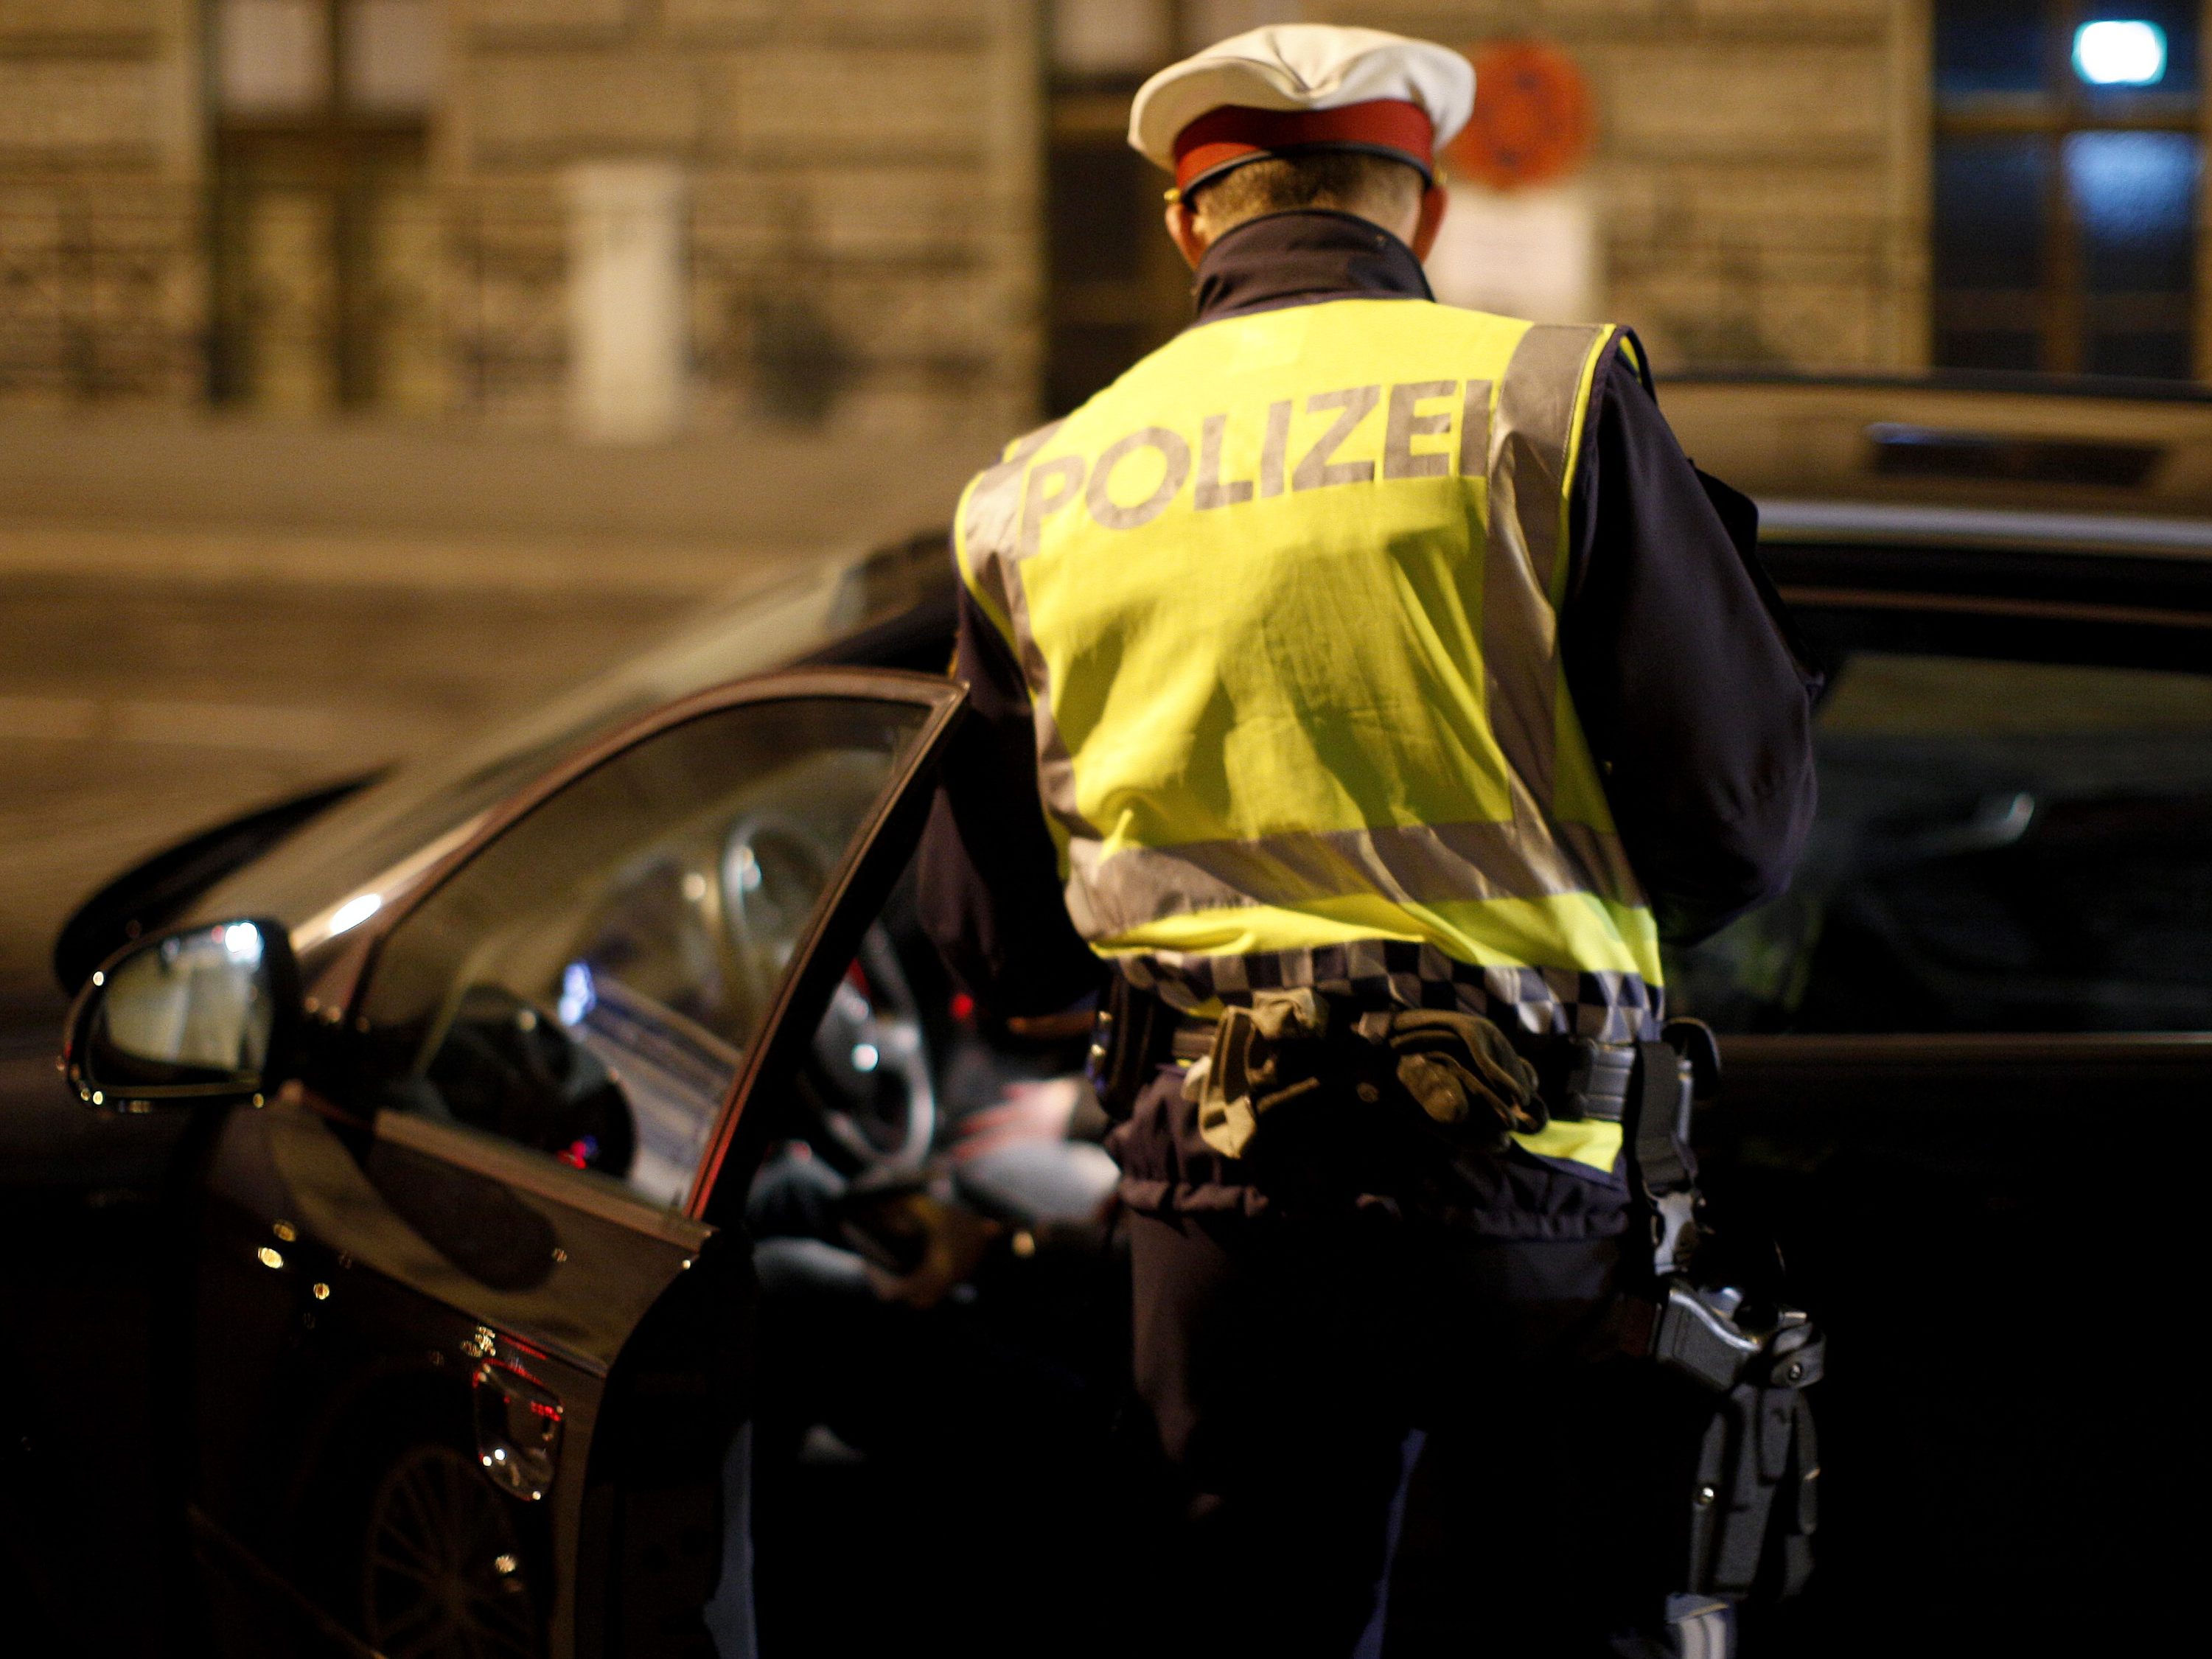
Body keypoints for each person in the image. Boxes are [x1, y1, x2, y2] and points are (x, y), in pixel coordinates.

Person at [918, 23, 1818, 1658]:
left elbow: (994, 945)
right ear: (1421, 210)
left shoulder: (1032, 492)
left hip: (1213, 1198)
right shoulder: (1545, 399)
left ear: (1190, 220)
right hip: (1531, 1178)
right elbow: (1737, 826)